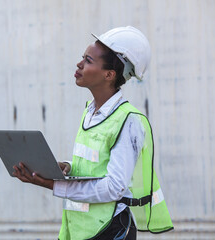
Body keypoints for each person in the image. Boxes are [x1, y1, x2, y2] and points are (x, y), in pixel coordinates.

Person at [13, 26, 173, 240]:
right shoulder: (90, 111)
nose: (79, 64)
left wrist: (53, 185)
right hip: (79, 230)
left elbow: (113, 188)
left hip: (109, 231)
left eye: (88, 61)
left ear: (109, 74)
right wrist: (67, 168)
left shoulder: (128, 120)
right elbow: (96, 166)